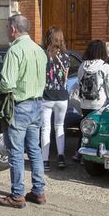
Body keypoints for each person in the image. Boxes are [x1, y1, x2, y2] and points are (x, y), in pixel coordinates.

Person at [0, 14, 47, 208]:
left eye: (8, 27)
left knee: (16, 151)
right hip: (37, 104)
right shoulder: (38, 50)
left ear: (13, 29)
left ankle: (17, 194)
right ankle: (38, 191)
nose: (7, 31)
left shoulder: (15, 51)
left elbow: (7, 83)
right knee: (34, 149)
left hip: (20, 105)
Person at [75, 40, 109, 163]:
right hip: (99, 103)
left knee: (85, 129)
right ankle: (94, 154)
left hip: (85, 103)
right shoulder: (104, 66)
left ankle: (80, 153)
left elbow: (79, 82)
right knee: (98, 130)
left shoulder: (83, 66)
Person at [40, 26, 70, 171]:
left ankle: (45, 161)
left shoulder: (43, 55)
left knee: (46, 128)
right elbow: (64, 79)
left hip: (47, 95)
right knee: (60, 127)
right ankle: (61, 157)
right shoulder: (66, 57)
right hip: (62, 96)